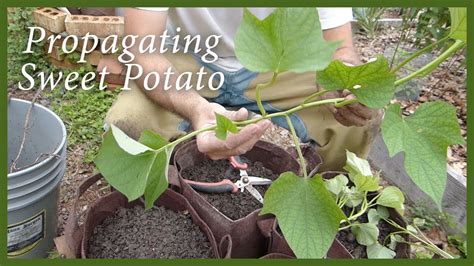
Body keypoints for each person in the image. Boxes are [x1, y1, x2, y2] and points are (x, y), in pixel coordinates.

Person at [105, 8, 382, 171]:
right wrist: (196, 108)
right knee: (129, 124)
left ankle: (323, 203)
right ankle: (158, 207)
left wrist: (344, 83)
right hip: (189, 60)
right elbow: (142, 50)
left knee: (354, 123)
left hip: (278, 63)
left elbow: (340, 48)